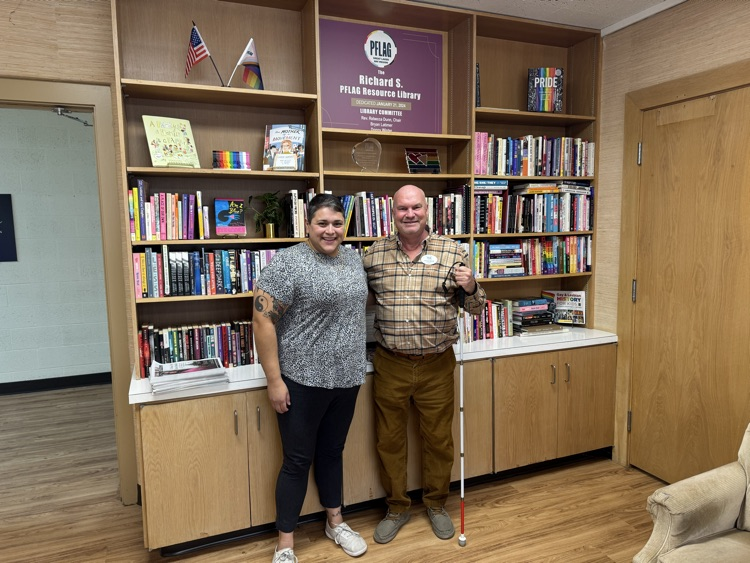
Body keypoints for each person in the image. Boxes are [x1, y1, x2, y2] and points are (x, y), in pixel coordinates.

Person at [362, 184, 486, 544]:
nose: (410, 214)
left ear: (427, 210)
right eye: (402, 209)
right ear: (392, 213)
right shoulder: (373, 255)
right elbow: (357, 299)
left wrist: (473, 285)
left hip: (436, 364)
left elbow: (476, 309)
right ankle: (397, 507)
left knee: (438, 440)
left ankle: (435, 504)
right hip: (391, 363)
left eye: (416, 207)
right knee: (389, 440)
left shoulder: (453, 252)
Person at [253, 194, 369, 563]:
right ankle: (285, 544)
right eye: (322, 223)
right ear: (308, 225)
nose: (330, 231)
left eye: (337, 223)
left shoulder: (353, 259)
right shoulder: (288, 263)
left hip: (347, 377)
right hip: (301, 380)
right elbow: (262, 320)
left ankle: (335, 522)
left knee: (333, 452)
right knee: (297, 460)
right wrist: (274, 380)